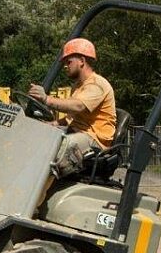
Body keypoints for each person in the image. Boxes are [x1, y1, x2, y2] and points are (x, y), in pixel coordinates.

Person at [28, 37, 116, 180]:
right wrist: (51, 125)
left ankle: (37, 194)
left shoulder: (97, 84)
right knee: (39, 141)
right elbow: (71, 117)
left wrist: (46, 99)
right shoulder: (78, 86)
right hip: (78, 132)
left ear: (81, 60)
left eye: (68, 61)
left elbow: (78, 106)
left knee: (56, 152)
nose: (65, 66)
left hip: (95, 140)